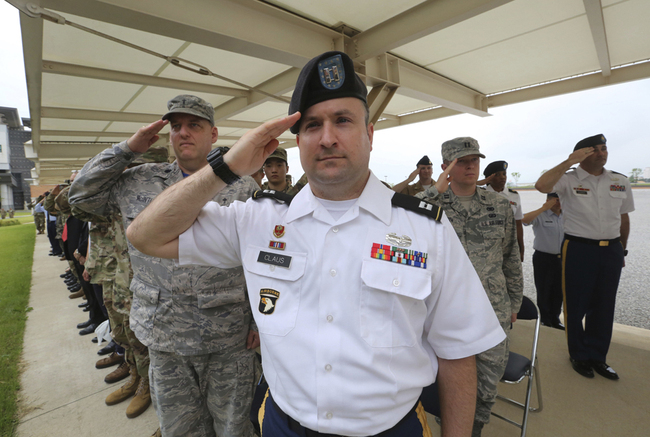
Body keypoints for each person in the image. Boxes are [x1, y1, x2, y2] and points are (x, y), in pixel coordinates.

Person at [126, 51, 506, 437]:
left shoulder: (426, 229)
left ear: (369, 135)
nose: (327, 138)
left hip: (390, 428)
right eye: (311, 125)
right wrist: (226, 166)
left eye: (342, 120)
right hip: (283, 424)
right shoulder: (257, 219)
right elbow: (144, 236)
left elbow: (458, 354)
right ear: (298, 140)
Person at [69, 95, 260, 437]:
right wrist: (127, 149)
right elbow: (80, 198)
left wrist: (259, 321)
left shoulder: (243, 187)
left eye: (194, 126)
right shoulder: (139, 180)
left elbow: (257, 261)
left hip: (227, 337)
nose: (183, 133)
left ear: (213, 134)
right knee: (179, 429)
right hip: (164, 336)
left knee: (234, 428)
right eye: (176, 127)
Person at [417, 138, 523, 436]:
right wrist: (435, 189)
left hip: (492, 309)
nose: (470, 167)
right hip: (446, 311)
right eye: (461, 162)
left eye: (474, 161)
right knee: (444, 382)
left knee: (487, 385)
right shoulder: (431, 205)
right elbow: (404, 217)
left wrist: (514, 303)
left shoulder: (499, 204)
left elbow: (510, 257)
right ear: (446, 168)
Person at [535, 134, 634, 380]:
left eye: (604, 148)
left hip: (611, 249)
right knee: (576, 303)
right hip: (579, 248)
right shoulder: (568, 180)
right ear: (582, 154)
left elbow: (623, 217)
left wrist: (622, 249)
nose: (602, 153)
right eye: (595, 150)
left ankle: (598, 356)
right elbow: (542, 186)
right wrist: (569, 162)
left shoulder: (619, 180)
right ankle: (578, 355)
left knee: (604, 304)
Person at [522, 193, 565, 330]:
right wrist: (543, 208)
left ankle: (555, 318)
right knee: (544, 289)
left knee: (560, 290)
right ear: (548, 201)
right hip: (544, 258)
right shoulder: (540, 215)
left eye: (561, 200)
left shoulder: (568, 215)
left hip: (563, 259)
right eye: (556, 200)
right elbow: (523, 220)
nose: (559, 203)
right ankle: (545, 319)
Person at [480, 161, 524, 261]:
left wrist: (521, 247)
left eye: (504, 174)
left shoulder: (514, 196)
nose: (503, 177)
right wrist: (482, 181)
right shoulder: (481, 194)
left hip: (509, 245)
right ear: (489, 178)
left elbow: (518, 223)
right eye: (497, 175)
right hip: (487, 246)